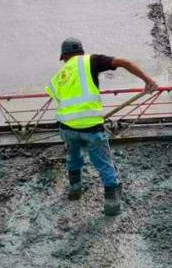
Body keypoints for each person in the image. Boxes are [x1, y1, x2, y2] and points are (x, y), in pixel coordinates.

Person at [46, 38, 158, 216]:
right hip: (91, 128)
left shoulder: (61, 74)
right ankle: (112, 206)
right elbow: (125, 62)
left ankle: (75, 190)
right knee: (104, 164)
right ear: (81, 52)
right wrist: (148, 80)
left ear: (64, 56)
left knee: (73, 157)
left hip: (66, 127)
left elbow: (57, 97)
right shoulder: (92, 60)